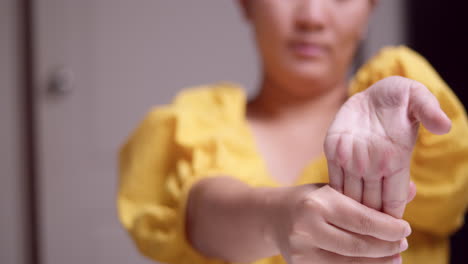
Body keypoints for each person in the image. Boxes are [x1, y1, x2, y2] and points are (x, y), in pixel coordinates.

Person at [117, 1, 468, 263]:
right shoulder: (195, 123)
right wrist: (277, 218)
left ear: (370, 9)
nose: (312, 17)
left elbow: (450, 199)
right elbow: (200, 214)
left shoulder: (408, 121)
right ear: (246, 4)